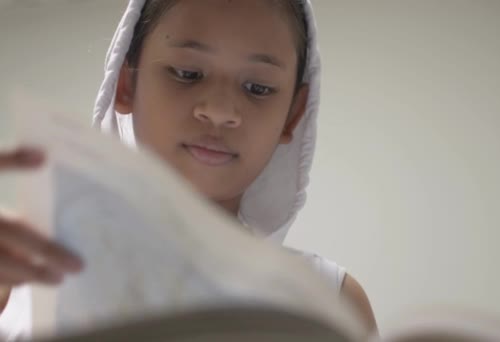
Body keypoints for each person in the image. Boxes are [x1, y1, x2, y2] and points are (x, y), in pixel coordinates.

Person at [0, 0, 377, 339]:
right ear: (126, 83)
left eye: (258, 88)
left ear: (293, 114)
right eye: (187, 73)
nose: (219, 111)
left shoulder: (333, 299)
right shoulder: (19, 278)